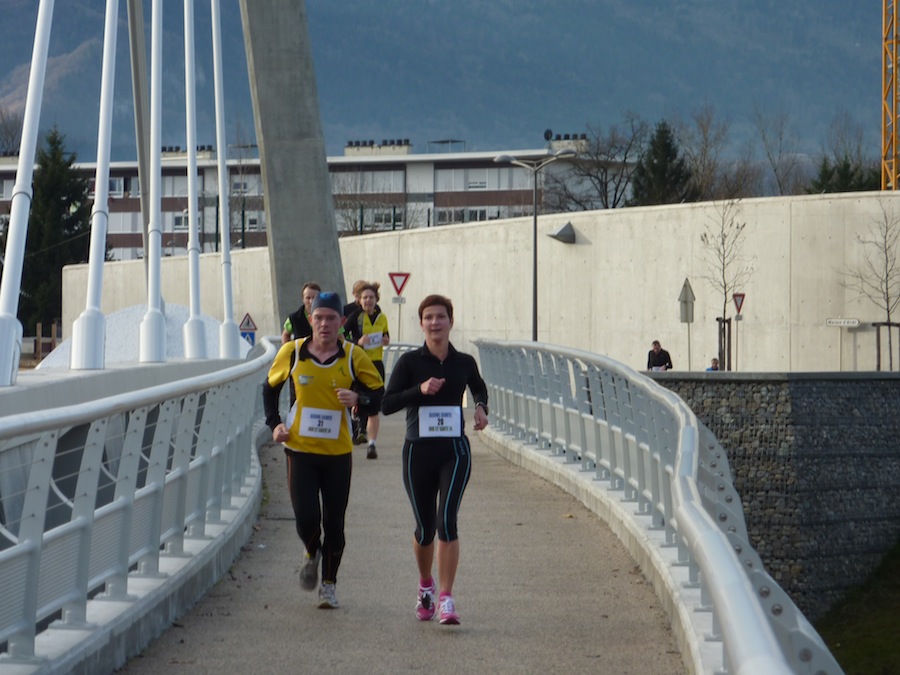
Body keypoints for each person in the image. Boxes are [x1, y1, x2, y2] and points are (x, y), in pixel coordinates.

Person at [262, 291, 384, 609]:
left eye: (331, 318)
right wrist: (275, 424)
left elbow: (380, 394)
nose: (325, 324)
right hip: (299, 448)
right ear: (310, 319)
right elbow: (269, 388)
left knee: (334, 522)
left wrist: (360, 400)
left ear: (341, 322)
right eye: (319, 318)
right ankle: (311, 550)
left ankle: (328, 584)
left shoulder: (353, 356)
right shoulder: (293, 352)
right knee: (305, 518)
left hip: (337, 453)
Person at [382, 294, 489, 626]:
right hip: (417, 452)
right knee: (426, 528)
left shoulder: (464, 362)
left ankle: (446, 598)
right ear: (421, 323)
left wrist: (482, 408)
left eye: (440, 317)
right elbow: (387, 404)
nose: (434, 323)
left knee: (447, 522)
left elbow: (479, 388)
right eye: (428, 317)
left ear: (450, 322)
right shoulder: (410, 363)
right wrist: (420, 390)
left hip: (454, 451)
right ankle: (425, 584)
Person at [345, 282, 390, 459]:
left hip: (376, 363)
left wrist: (386, 340)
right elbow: (341, 334)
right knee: (361, 397)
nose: (368, 301)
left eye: (371, 297)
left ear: (376, 299)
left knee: (375, 402)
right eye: (364, 298)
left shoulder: (382, 317)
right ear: (359, 300)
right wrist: (357, 342)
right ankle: (359, 426)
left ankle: (371, 443)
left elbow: (386, 335)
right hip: (358, 364)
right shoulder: (355, 316)